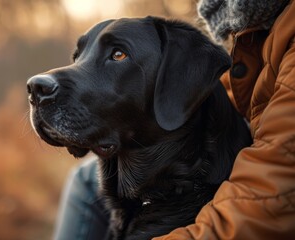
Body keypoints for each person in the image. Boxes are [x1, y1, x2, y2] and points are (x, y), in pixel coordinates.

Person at [53, 0, 295, 239]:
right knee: (87, 179)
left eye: (117, 54)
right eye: (79, 57)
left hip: (259, 184)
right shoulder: (253, 26)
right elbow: (242, 95)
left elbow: (270, 196)